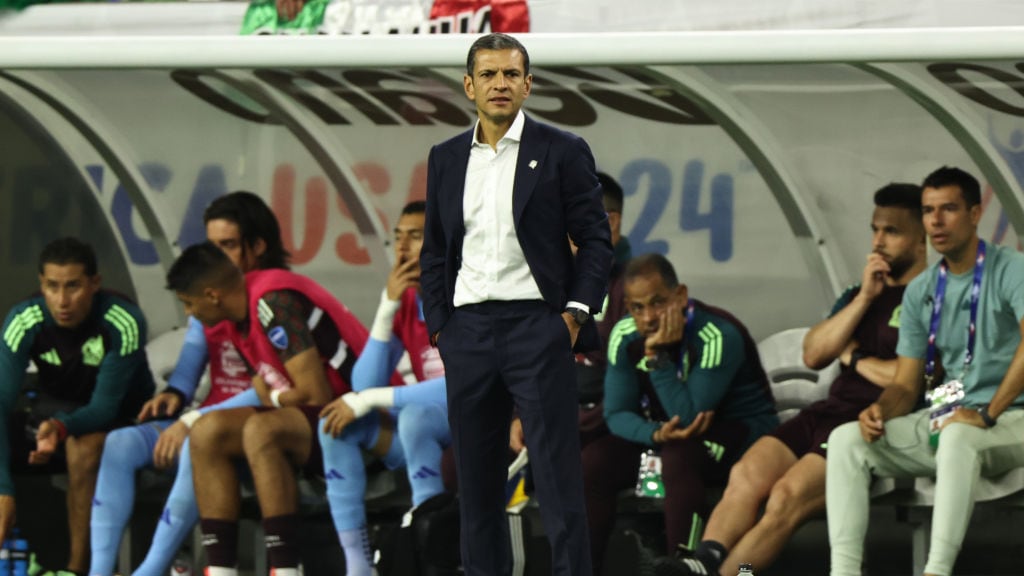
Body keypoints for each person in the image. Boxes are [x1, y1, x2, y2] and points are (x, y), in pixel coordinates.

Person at [657, 183, 928, 576]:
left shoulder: (932, 298)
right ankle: (707, 560)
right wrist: (865, 299)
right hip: (826, 412)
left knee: (785, 498)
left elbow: (906, 378)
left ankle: (733, 574)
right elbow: (814, 352)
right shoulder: (860, 293)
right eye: (875, 230)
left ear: (921, 239)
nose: (878, 242)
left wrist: (855, 355)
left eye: (892, 232)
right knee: (746, 476)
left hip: (871, 426)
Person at [419, 32, 613, 576]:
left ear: (529, 85)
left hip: (540, 326)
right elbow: (435, 253)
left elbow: (596, 240)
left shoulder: (563, 150)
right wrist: (441, 329)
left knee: (557, 482)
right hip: (468, 332)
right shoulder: (446, 158)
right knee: (475, 486)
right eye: (488, 74)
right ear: (468, 86)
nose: (499, 84)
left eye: (510, 74)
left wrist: (575, 315)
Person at [827, 166, 1024, 576]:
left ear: (974, 214)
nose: (936, 220)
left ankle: (936, 571)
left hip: (1012, 417)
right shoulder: (921, 290)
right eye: (928, 210)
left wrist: (987, 412)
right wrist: (880, 410)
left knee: (957, 435)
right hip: (953, 415)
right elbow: (905, 383)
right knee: (847, 440)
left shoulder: (1011, 268)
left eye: (948, 209)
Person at [88, 191, 290, 576]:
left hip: (251, 430)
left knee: (200, 443)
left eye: (227, 245)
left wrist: (193, 421)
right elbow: (187, 372)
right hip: (204, 418)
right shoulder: (206, 300)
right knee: (120, 443)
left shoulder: (272, 302)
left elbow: (272, 386)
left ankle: (150, 570)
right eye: (211, 246)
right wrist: (173, 396)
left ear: (257, 247)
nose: (214, 257)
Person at [166, 242, 371, 576]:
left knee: (262, 429)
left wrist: (277, 400)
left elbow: (315, 396)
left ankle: (287, 569)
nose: (189, 313)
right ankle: (220, 570)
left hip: (360, 419)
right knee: (206, 431)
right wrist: (277, 399)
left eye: (189, 304)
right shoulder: (234, 316)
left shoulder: (273, 303)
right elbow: (266, 391)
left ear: (212, 295)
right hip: (313, 422)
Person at [595, 253, 777, 568]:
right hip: (671, 433)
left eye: (658, 303)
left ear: (680, 296)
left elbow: (691, 417)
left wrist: (658, 358)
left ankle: (686, 565)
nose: (649, 317)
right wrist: (653, 432)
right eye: (637, 308)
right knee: (593, 463)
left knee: (678, 457)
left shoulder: (716, 335)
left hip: (741, 434)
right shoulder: (624, 336)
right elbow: (616, 414)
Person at [0, 237, 154, 576]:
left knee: (81, 450)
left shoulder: (122, 320)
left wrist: (59, 427)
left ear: (95, 284)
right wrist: (4, 491)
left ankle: (75, 571)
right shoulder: (23, 319)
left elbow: (103, 407)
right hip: (56, 411)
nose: (62, 300)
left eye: (73, 286)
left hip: (121, 417)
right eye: (52, 287)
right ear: (41, 285)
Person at [506, 171, 632, 575]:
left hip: (610, 424)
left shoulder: (638, 287)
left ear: (608, 223)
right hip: (551, 416)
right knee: (464, 459)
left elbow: (635, 380)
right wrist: (516, 413)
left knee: (584, 468)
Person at [318, 200, 451, 576]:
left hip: (470, 427)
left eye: (415, 236)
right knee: (334, 424)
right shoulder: (409, 302)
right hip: (423, 430)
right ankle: (358, 565)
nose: (403, 247)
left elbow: (462, 388)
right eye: (397, 238)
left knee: (416, 417)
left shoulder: (466, 298)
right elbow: (365, 384)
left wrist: (366, 400)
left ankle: (428, 551)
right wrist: (387, 305)